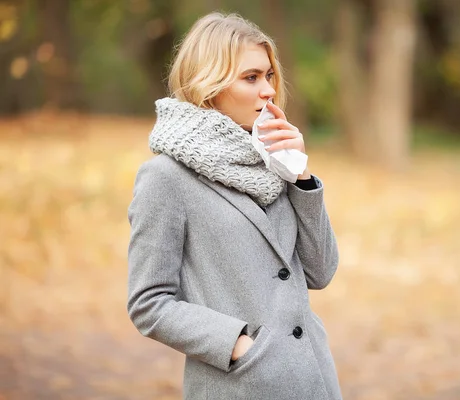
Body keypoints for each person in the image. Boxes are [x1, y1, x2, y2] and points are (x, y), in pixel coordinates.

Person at [126, 12, 342, 400]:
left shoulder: (273, 161)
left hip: (313, 380)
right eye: (251, 77)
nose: (268, 91)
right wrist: (239, 346)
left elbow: (320, 272)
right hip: (238, 386)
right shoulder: (165, 178)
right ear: (209, 84)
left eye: (269, 75)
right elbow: (149, 302)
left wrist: (302, 177)